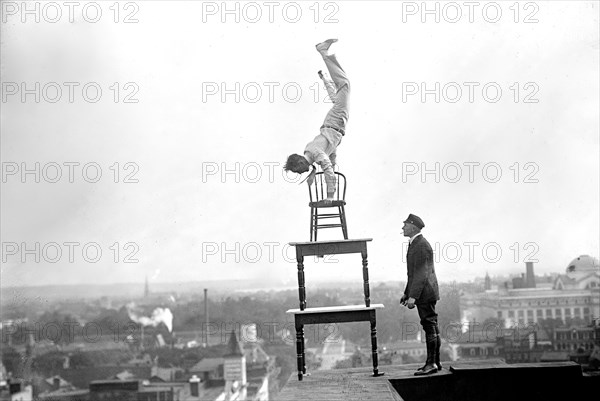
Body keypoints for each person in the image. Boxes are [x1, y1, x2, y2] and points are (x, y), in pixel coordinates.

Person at [284, 39, 350, 204]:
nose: (300, 173)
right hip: (335, 125)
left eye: (298, 171)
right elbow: (331, 152)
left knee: (344, 84)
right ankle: (325, 76)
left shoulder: (314, 152)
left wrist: (330, 195)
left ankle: (323, 52)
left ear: (300, 162)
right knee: (337, 96)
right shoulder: (314, 153)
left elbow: (327, 166)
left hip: (335, 122)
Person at [400, 214, 441, 375]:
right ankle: (435, 362)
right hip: (425, 292)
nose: (402, 228)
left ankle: (431, 364)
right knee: (431, 326)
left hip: (425, 293)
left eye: (405, 225)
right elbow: (413, 273)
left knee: (429, 326)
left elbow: (421, 274)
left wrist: (413, 296)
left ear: (413, 227)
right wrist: (406, 293)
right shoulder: (415, 244)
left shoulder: (421, 245)